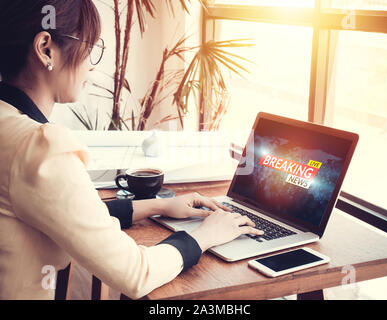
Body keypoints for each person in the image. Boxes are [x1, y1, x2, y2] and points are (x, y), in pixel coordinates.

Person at [0, 0, 263, 300]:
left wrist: (161, 206)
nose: (92, 62)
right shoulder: (38, 148)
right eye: (90, 46)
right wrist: (206, 235)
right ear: (46, 48)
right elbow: (135, 273)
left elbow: (75, 213)